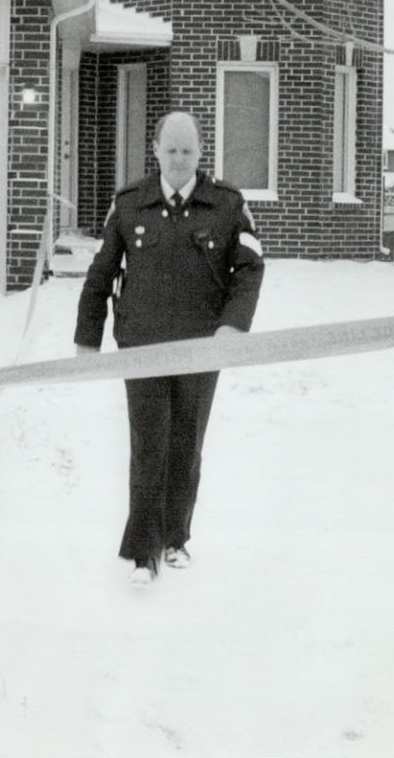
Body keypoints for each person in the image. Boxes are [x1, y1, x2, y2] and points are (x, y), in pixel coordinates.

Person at [74, 110, 265, 587]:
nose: (179, 159)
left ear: (201, 154)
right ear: (155, 150)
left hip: (203, 347)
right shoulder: (129, 204)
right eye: (171, 149)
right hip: (142, 345)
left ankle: (176, 538)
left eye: (188, 151)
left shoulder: (227, 205)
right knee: (148, 446)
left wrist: (232, 328)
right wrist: (87, 340)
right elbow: (100, 275)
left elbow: (250, 268)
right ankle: (143, 553)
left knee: (186, 444)